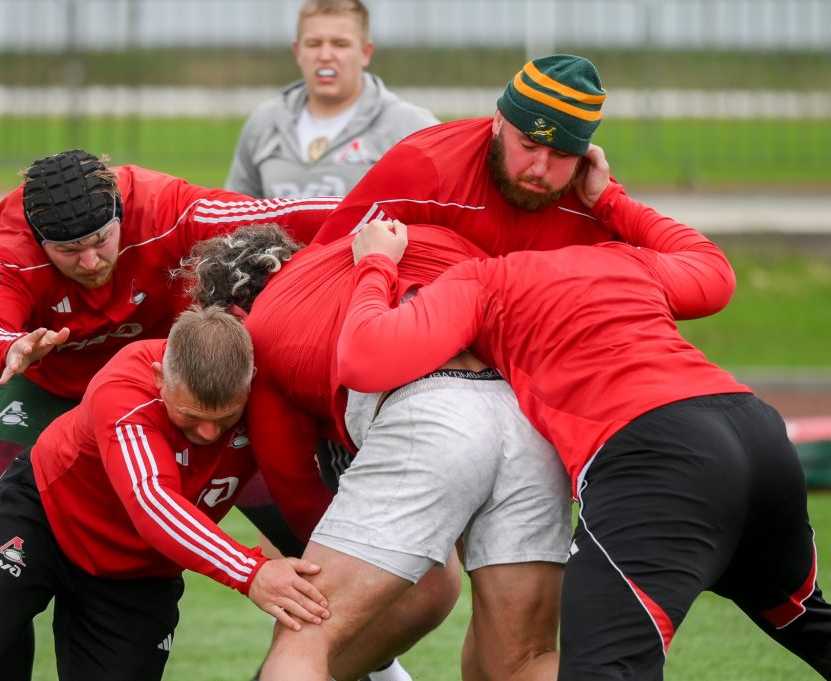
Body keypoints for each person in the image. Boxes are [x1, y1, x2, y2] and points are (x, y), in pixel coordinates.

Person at [332, 193, 831, 678]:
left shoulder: (480, 277)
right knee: (807, 622)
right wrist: (612, 199)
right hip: (757, 433)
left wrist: (375, 263)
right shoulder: (623, 259)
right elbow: (715, 272)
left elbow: (364, 356)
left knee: (601, 671)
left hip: (658, 458)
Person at [0, 148, 337, 677]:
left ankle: (364, 664)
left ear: (121, 214)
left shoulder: (164, 208)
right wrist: (10, 347)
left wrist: (391, 209)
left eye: (101, 240)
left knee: (317, 536)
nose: (91, 262)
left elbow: (279, 214)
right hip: (47, 387)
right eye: (69, 250)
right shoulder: (8, 244)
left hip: (182, 393)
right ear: (37, 239)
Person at [0, 306, 331, 681]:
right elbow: (152, 501)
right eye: (189, 417)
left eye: (224, 419)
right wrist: (251, 571)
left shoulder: (269, 390)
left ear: (250, 383)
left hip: (140, 572)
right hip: (42, 521)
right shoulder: (125, 387)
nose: (207, 434)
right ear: (160, 378)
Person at [181, 223, 571, 681]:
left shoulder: (265, 330)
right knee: (520, 661)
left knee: (305, 635)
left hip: (433, 415)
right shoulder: (391, 246)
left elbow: (296, 490)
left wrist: (350, 560)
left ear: (233, 313)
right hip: (528, 418)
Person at [311, 53, 622, 249]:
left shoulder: (593, 198)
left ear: (583, 155)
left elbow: (651, 274)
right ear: (498, 122)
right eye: (528, 146)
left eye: (561, 155)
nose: (540, 168)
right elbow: (321, 264)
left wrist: (611, 202)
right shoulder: (426, 166)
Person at [225, 0, 438, 200]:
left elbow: (444, 210)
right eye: (314, 44)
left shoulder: (411, 128)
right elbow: (237, 213)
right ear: (298, 52)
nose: (325, 55)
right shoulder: (264, 123)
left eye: (340, 44)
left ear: (365, 52)